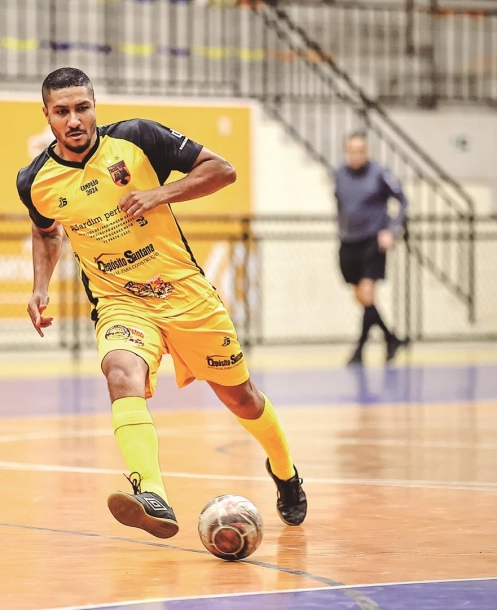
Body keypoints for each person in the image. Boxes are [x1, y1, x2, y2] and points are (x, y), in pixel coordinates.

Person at [17, 67, 306, 538]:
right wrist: (40, 285)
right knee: (119, 372)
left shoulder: (137, 138)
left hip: (184, 293)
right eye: (62, 111)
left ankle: (284, 468)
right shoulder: (36, 180)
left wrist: (159, 194)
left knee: (240, 397)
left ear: (95, 107)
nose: (74, 120)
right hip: (119, 300)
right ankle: (151, 492)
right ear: (46, 116)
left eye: (82, 108)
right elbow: (45, 229)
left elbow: (222, 170)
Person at [336, 131, 408, 366]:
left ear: (367, 152)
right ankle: (390, 338)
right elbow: (341, 206)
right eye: (352, 151)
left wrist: (391, 230)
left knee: (368, 293)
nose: (356, 155)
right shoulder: (339, 175)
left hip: (372, 241)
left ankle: (359, 350)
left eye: (361, 150)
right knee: (361, 298)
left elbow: (402, 200)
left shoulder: (380, 174)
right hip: (349, 242)